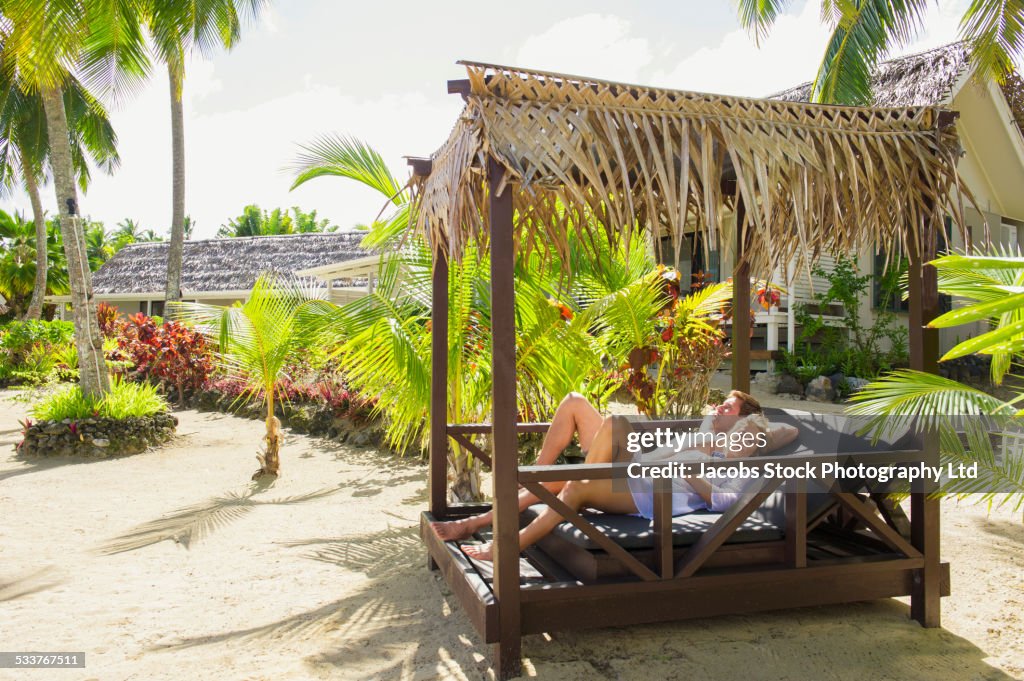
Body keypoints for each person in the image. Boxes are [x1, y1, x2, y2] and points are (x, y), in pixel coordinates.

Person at [432, 390, 769, 556]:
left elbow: (725, 501)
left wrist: (692, 467)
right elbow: (656, 454)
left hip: (649, 491)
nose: (718, 407)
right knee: (576, 402)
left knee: (579, 477)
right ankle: (493, 508)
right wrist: (691, 445)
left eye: (728, 407)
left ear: (742, 420)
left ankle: (502, 547)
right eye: (721, 403)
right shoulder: (702, 436)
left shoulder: (738, 456)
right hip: (636, 463)